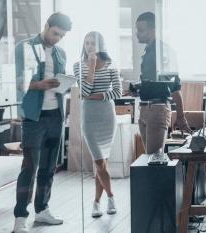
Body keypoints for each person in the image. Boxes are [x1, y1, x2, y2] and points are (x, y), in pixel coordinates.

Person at [12, 12, 71, 233]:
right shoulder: (24, 48)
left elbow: (60, 82)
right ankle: (20, 217)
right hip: (33, 118)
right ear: (46, 26)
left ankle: (42, 209)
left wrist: (63, 83)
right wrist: (41, 84)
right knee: (29, 167)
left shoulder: (60, 53)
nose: (57, 38)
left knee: (48, 168)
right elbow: (19, 82)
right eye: (55, 33)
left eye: (62, 36)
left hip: (55, 115)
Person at [74, 31, 122, 218]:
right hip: (89, 118)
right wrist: (92, 66)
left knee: (101, 164)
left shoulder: (111, 65)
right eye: (86, 43)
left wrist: (97, 96)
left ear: (101, 45)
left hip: (107, 117)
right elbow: (84, 89)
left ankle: (96, 202)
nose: (89, 46)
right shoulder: (78, 66)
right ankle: (111, 196)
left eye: (93, 43)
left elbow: (117, 92)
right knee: (100, 162)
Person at [135, 11, 190, 154]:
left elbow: (175, 87)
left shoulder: (163, 53)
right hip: (145, 109)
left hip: (157, 109)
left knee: (154, 159)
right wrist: (136, 88)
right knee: (150, 158)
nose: (137, 34)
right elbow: (152, 83)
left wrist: (181, 117)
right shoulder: (148, 52)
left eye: (141, 30)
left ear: (152, 30)